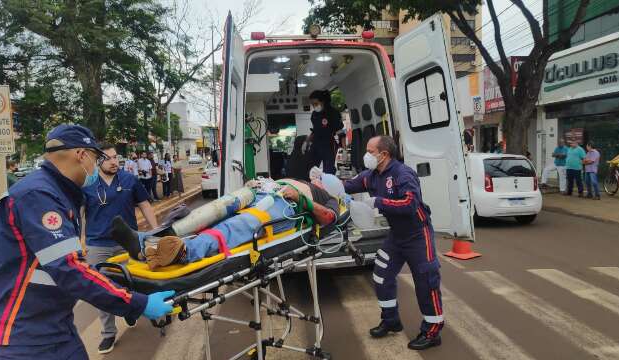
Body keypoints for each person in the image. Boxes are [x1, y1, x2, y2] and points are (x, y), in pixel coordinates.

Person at [0, 124, 173, 360]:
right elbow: (69, 269)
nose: (96, 165)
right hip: (24, 338)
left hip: (55, 326)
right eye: (96, 158)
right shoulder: (39, 196)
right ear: (82, 155)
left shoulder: (58, 192)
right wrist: (137, 303)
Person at [343, 135, 443, 351]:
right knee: (381, 274)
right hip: (396, 235)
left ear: (384, 154)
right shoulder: (371, 176)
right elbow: (348, 186)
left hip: (417, 234)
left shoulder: (402, 173)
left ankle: (433, 331)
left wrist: (378, 202)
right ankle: (391, 320)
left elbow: (410, 203)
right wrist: (321, 181)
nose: (366, 155)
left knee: (427, 282)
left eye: (370, 151)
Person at [111, 177, 339, 270]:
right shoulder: (297, 177)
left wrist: (302, 199)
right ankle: (145, 242)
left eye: (322, 178)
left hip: (287, 205)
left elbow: (328, 218)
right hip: (262, 191)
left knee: (238, 224)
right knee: (207, 214)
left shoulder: (327, 196)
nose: (317, 177)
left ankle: (185, 251)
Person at [83, 144, 160, 354]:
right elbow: (80, 213)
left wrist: (155, 231)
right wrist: (77, 243)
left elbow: (144, 204)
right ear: (98, 161)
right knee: (100, 289)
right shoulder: (87, 185)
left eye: (116, 157)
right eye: (108, 158)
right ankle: (108, 332)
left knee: (132, 282)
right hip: (97, 244)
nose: (114, 162)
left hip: (127, 243)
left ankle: (130, 309)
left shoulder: (129, 180)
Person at [305, 90, 345, 174]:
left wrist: (343, 150)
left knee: (329, 170)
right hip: (316, 144)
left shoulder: (333, 113)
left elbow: (340, 133)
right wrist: (307, 141)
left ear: (322, 101)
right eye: (312, 104)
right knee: (310, 168)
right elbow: (315, 130)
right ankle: (312, 184)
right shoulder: (314, 114)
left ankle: (328, 185)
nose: (314, 106)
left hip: (328, 145)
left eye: (315, 104)